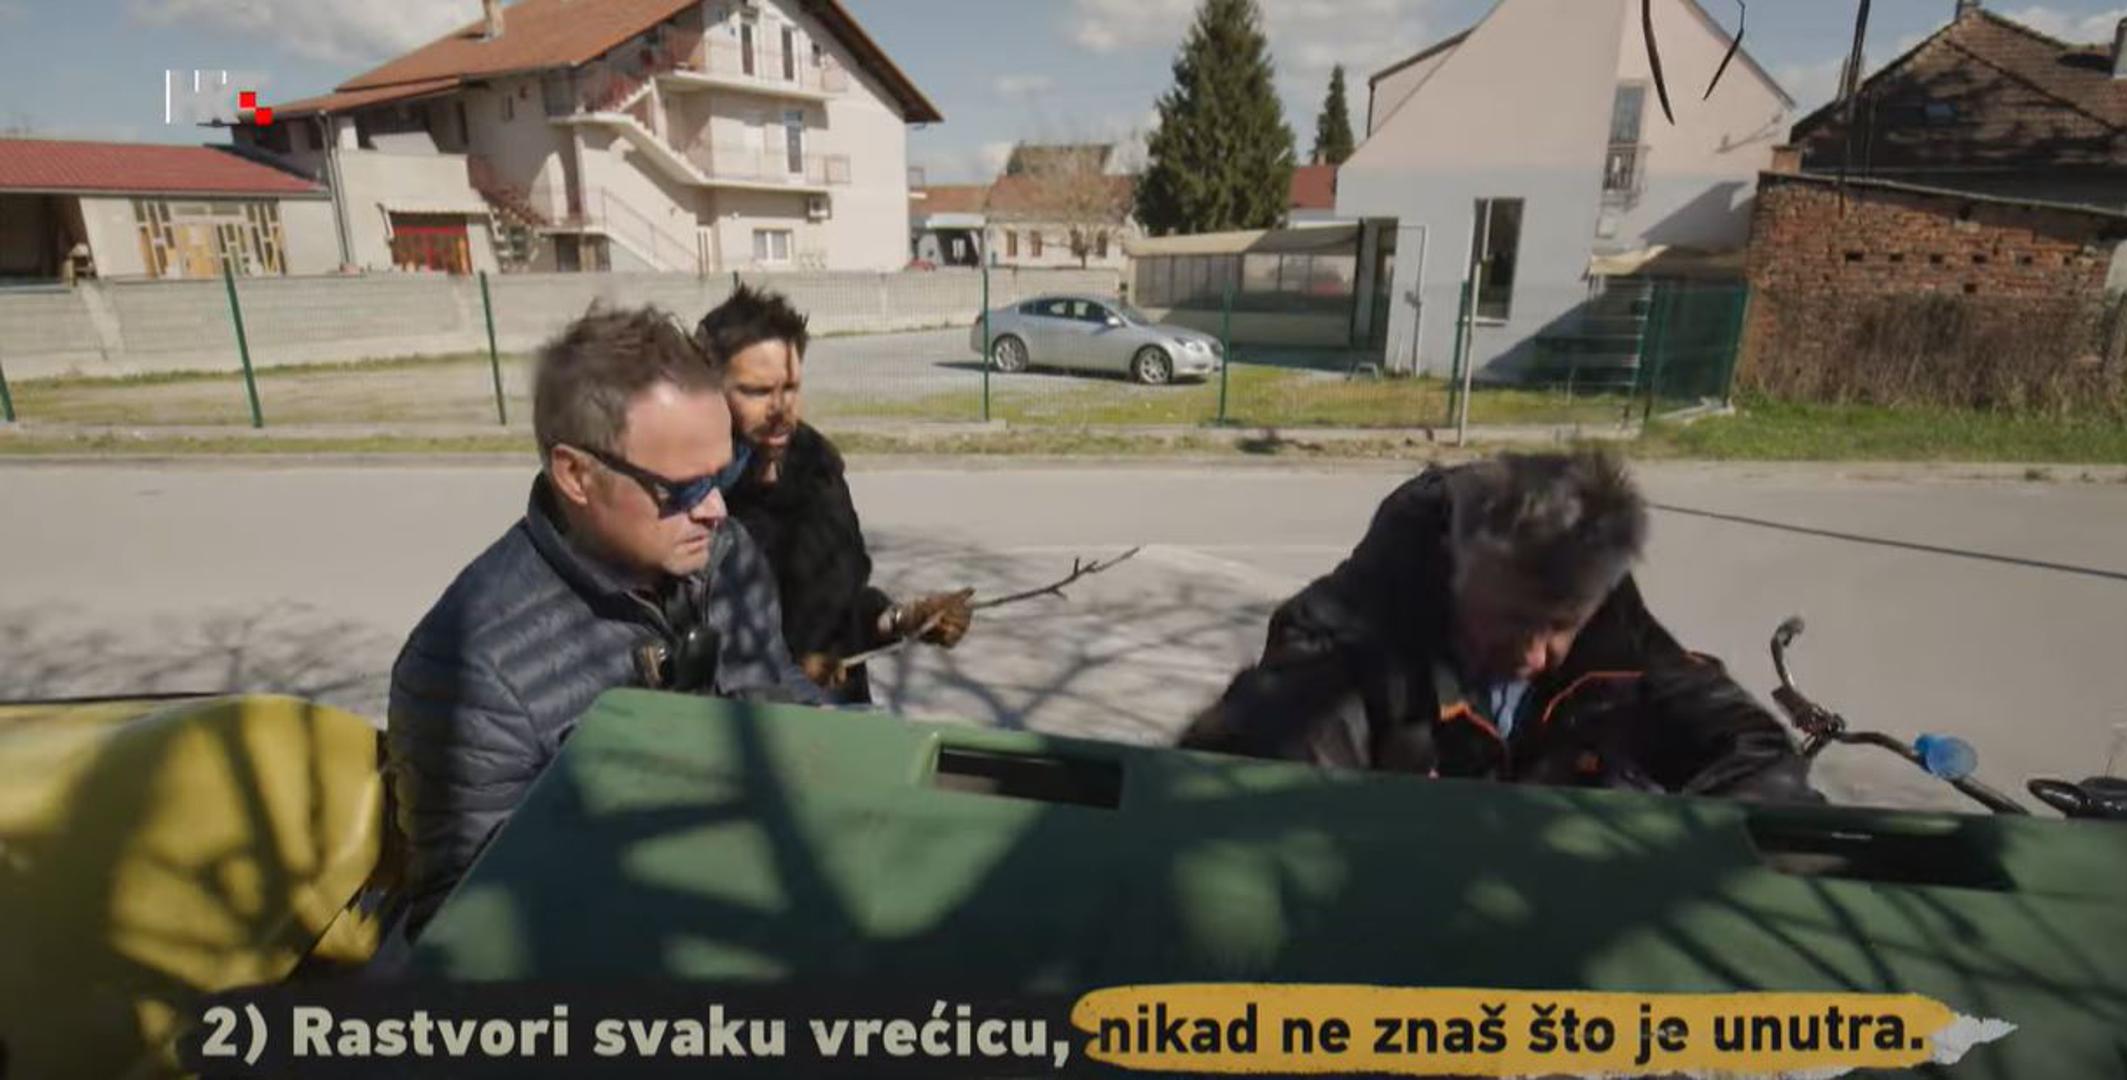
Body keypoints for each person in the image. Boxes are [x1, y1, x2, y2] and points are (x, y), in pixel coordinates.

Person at [386, 304, 825, 934]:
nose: (717, 509)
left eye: (724, 471)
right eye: (682, 489)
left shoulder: (725, 555)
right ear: (577, 474)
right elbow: (462, 923)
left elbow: (779, 691)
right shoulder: (468, 669)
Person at [1179, 449, 1818, 801]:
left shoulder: (1618, 637)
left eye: (1560, 625)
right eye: (1514, 620)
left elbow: (1748, 748)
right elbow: (1260, 763)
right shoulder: (1344, 647)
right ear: (1459, 571)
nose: (1535, 655)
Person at [697, 284, 973, 704]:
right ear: (709, 392)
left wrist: (904, 618)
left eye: (791, 387)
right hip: (756, 723)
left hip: (842, 714)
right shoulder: (698, 498)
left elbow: (844, 604)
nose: (781, 409)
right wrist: (788, 672)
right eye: (757, 391)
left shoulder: (818, 468)